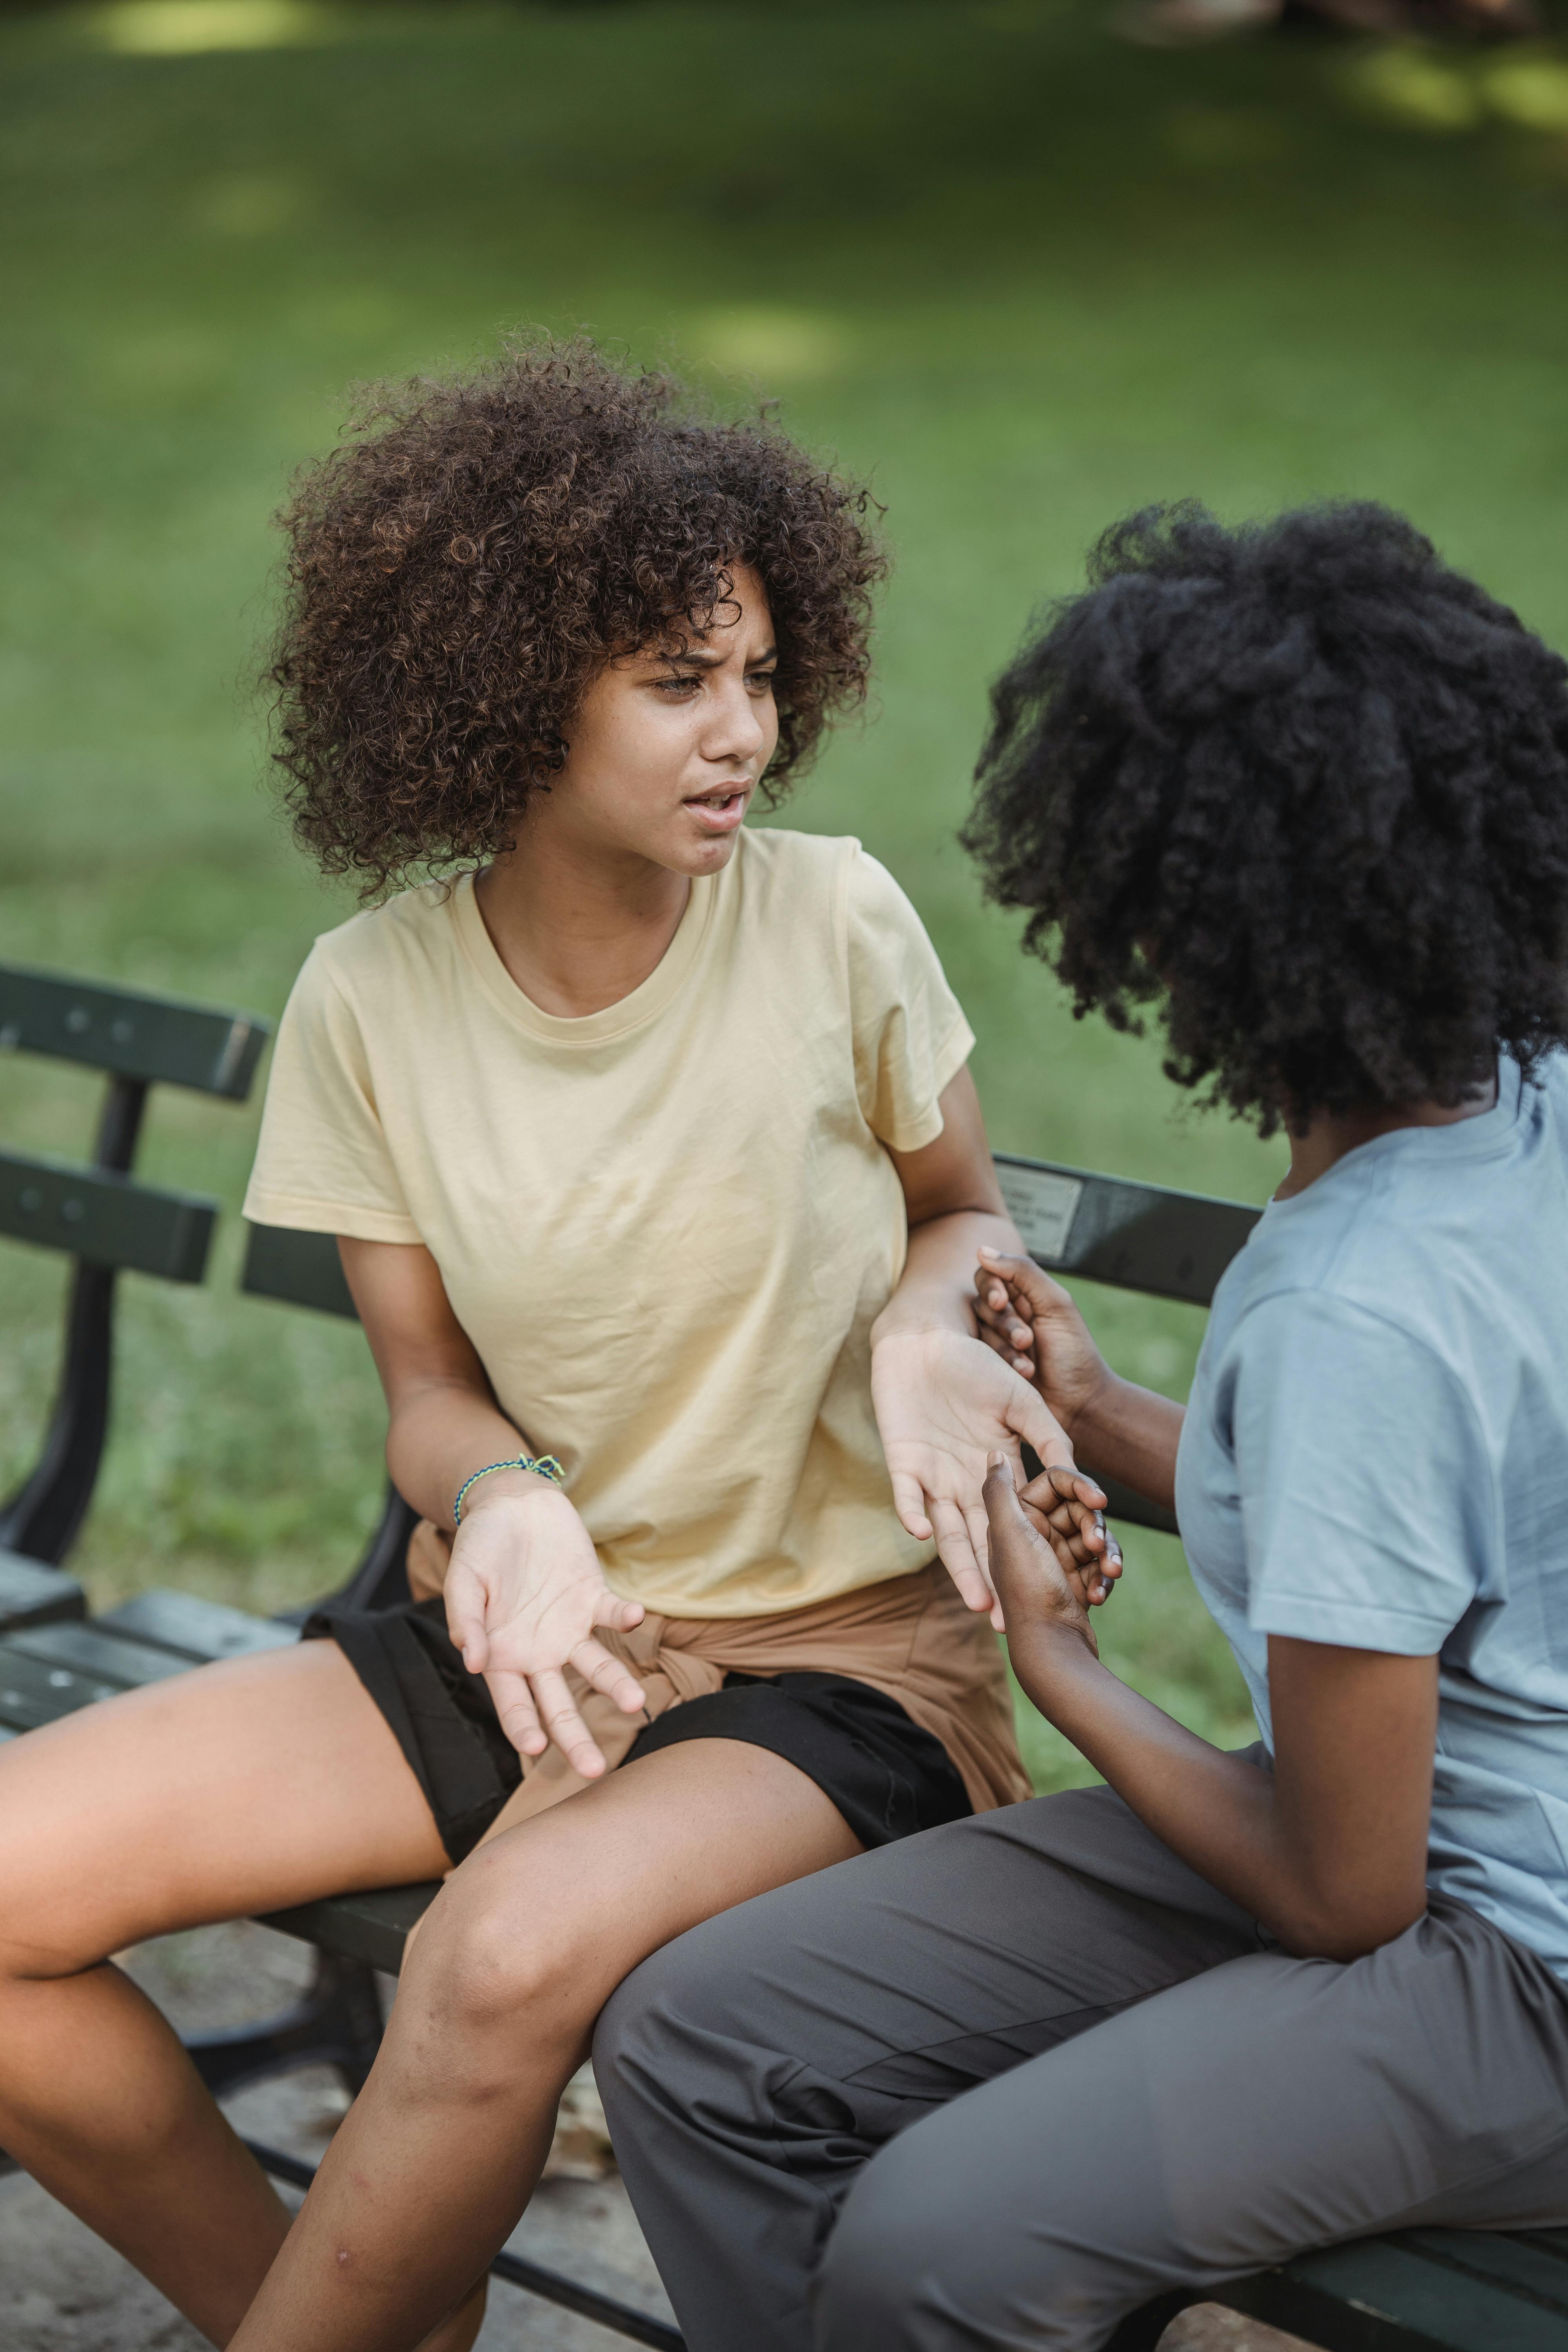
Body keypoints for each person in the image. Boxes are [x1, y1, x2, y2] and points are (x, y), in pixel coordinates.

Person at [0, 337, 1112, 2352]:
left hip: (841, 1670)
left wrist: (943, 1322)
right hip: (537, 1640)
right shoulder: (373, 1000)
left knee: (495, 1963)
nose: (742, 736)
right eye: (677, 683)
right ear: (512, 695)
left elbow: (959, 1211)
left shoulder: (836, 923)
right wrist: (504, 1499)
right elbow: (425, 1390)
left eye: (761, 675)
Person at [594, 500, 1568, 2352]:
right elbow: (1436, 1513)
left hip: (1509, 1960)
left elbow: (1342, 1894)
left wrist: (1067, 1672)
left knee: (934, 2252)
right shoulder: (1520, 1108)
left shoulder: (1355, 1292)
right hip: (1403, 1847)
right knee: (705, 2038)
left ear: (1166, 919)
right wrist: (1106, 1417)